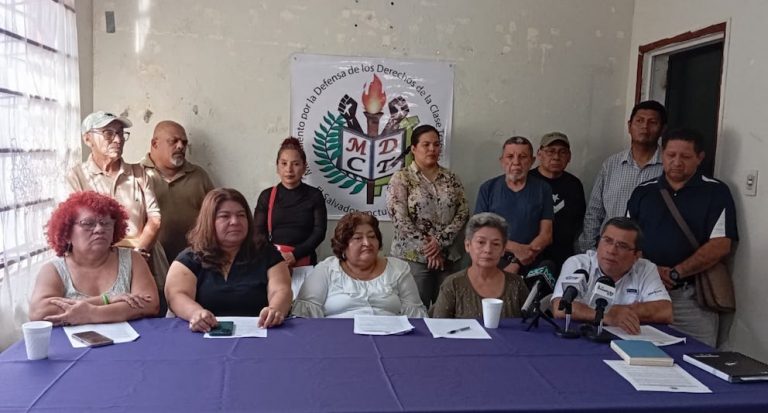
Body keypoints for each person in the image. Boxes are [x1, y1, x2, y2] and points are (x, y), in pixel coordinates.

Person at [627, 128, 738, 346]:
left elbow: (721, 244)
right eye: (671, 155)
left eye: (685, 157)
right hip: (642, 291)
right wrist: (653, 271)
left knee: (699, 355)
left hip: (691, 297)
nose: (677, 162)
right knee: (638, 353)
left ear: (700, 158)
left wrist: (677, 273)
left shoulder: (716, 192)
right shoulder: (644, 192)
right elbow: (626, 239)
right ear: (662, 154)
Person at [67, 111, 169, 311]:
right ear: (88, 139)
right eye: (108, 133)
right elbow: (74, 226)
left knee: (150, 314)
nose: (118, 139)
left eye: (121, 133)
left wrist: (139, 253)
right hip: (100, 265)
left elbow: (155, 218)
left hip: (144, 257)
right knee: (104, 317)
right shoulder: (76, 177)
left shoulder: (139, 173)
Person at [164, 188, 292, 332]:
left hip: (260, 332)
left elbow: (281, 290)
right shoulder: (189, 259)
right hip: (203, 334)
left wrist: (275, 309)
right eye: (225, 216)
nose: (235, 222)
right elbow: (176, 295)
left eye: (241, 215)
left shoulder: (268, 255)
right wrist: (195, 313)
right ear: (209, 221)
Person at [29, 191, 159, 325]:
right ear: (67, 233)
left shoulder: (132, 259)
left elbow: (150, 304)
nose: (99, 229)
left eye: (106, 223)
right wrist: (105, 300)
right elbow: (39, 313)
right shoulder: (54, 269)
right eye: (88, 223)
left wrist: (93, 314)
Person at [387, 124, 469, 307]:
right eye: (426, 144)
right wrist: (430, 248)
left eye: (436, 144)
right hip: (413, 258)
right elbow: (399, 218)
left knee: (448, 311)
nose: (432, 149)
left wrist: (440, 242)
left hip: (448, 257)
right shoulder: (401, 178)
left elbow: (463, 212)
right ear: (414, 148)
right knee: (414, 310)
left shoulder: (452, 178)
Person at [293, 212, 426, 318]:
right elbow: (305, 317)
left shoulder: (398, 269)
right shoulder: (326, 269)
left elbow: (416, 317)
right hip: (338, 338)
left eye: (372, 237)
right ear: (343, 245)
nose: (367, 243)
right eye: (357, 238)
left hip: (391, 338)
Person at [551, 217, 673, 334]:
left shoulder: (646, 269)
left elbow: (665, 311)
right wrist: (607, 314)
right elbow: (559, 307)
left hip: (627, 340)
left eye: (622, 246)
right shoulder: (578, 263)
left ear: (636, 256)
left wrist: (619, 312)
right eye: (607, 241)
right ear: (598, 243)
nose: (611, 250)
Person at [577, 100, 666, 252]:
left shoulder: (670, 168)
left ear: (663, 129)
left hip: (653, 254)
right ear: (629, 126)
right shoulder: (611, 165)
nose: (645, 127)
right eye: (639, 121)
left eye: (652, 122)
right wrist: (590, 251)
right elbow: (594, 212)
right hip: (610, 252)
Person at [476, 136, 553, 274]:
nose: (516, 162)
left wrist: (518, 261)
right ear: (502, 161)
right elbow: (479, 232)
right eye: (510, 156)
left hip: (531, 261)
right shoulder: (488, 188)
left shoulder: (543, 189)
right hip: (492, 260)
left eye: (523, 157)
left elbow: (546, 235)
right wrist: (516, 248)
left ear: (532, 161)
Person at [140, 120, 214, 263]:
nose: (180, 146)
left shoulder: (199, 176)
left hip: (193, 262)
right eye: (173, 141)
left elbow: (214, 215)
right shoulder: (138, 175)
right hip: (149, 263)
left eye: (184, 143)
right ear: (155, 144)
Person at [431, 213, 529, 319]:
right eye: (481, 242)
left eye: (495, 244)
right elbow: (438, 325)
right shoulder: (453, 284)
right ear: (468, 245)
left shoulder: (516, 284)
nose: (488, 250)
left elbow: (533, 325)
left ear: (503, 250)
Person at [254, 137, 327, 268]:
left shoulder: (315, 195)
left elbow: (319, 232)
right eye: (284, 163)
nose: (289, 169)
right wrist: (276, 257)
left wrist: (295, 254)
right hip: (272, 262)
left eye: (296, 164)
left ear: (304, 167)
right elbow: (258, 233)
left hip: (305, 262)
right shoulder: (267, 196)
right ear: (277, 167)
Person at [529, 132, 586, 274]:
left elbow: (580, 222)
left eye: (562, 152)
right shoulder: (527, 181)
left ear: (569, 157)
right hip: (531, 256)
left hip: (564, 258)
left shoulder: (574, 184)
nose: (556, 157)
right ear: (539, 154)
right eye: (550, 151)